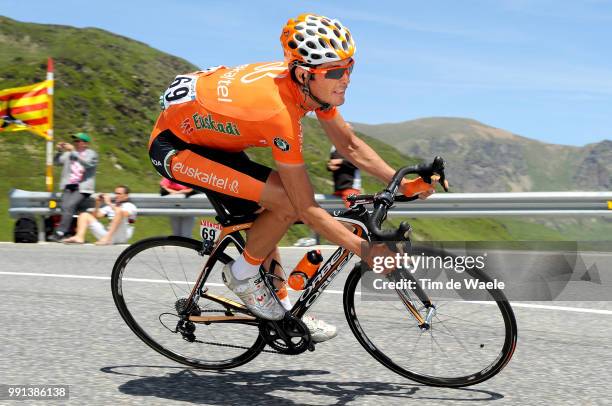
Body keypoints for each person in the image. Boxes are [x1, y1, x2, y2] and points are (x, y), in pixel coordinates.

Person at [148, 13, 439, 343]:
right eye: (336, 72)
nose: (346, 79)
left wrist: (400, 182)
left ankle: (282, 310)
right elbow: (305, 207)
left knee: (270, 214)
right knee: (286, 202)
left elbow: (349, 144)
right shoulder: (279, 113)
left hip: (212, 138)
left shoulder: (310, 87)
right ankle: (241, 276)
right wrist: (365, 250)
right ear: (304, 73)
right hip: (177, 147)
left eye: (349, 67)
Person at [48, 132, 98, 242]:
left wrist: (73, 152)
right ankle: (68, 232)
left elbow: (87, 164)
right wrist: (59, 151)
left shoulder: (92, 154)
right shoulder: (69, 154)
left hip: (83, 187)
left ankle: (60, 232)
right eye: (75, 141)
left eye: (78, 141)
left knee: (70, 205)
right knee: (65, 206)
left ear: (85, 143)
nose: (75, 143)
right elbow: (56, 162)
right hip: (69, 185)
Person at [61, 185, 137, 245]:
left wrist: (109, 203)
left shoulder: (130, 206)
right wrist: (97, 204)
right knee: (84, 215)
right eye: (115, 193)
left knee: (119, 212)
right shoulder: (111, 206)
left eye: (119, 194)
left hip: (122, 236)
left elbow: (123, 214)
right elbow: (96, 216)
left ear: (126, 196)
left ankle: (107, 239)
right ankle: (79, 237)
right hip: (109, 235)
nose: (116, 195)